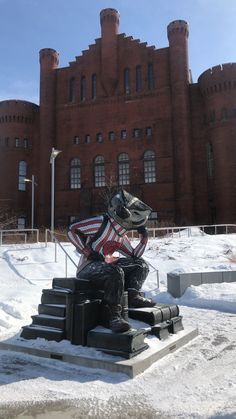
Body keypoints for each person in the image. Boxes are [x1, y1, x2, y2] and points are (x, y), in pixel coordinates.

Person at [68, 189, 155, 333]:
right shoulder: (100, 223)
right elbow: (72, 229)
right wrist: (86, 251)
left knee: (141, 265)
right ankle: (114, 316)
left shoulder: (121, 236)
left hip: (106, 265)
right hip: (87, 268)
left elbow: (135, 256)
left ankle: (133, 296)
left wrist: (144, 239)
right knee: (115, 270)